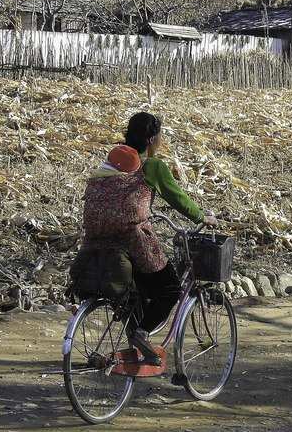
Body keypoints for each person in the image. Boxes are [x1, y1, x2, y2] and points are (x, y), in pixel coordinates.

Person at [77, 112, 216, 365]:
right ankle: (140, 334)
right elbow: (177, 198)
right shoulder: (152, 166)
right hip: (132, 238)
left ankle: (133, 340)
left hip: (97, 238)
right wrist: (201, 217)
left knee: (137, 292)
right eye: (160, 137)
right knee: (169, 288)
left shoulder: (110, 164)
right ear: (152, 139)